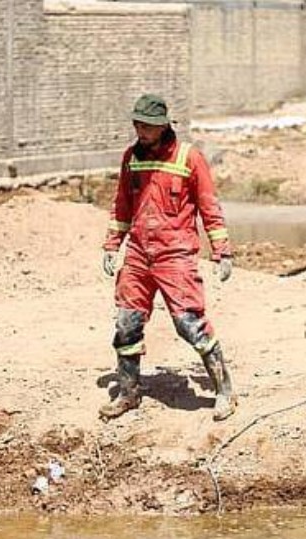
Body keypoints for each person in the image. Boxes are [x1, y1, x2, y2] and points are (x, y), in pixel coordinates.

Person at [100, 94, 236, 421]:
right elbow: (122, 205)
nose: (140, 130)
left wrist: (222, 251)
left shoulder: (189, 157)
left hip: (174, 254)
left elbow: (209, 206)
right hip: (138, 253)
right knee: (127, 325)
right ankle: (128, 392)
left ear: (162, 126)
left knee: (189, 324)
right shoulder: (131, 158)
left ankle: (224, 391)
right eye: (136, 124)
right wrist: (111, 244)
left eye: (146, 125)